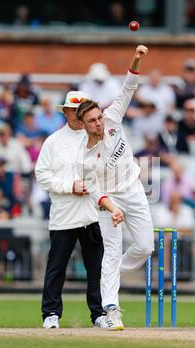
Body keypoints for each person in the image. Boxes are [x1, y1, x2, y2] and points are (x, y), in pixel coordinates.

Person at [76, 45, 154, 331]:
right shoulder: (83, 155)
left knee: (145, 246)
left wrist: (136, 58)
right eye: (92, 121)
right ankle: (112, 309)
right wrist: (112, 207)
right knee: (110, 250)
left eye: (98, 117)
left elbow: (128, 87)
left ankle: (110, 274)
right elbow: (93, 190)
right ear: (82, 124)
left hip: (133, 189)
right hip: (109, 201)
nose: (98, 123)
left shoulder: (112, 118)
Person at [35, 91, 123, 330]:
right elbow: (42, 175)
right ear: (65, 112)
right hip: (64, 214)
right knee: (57, 267)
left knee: (96, 269)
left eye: (80, 111)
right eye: (73, 110)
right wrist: (69, 187)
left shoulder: (96, 138)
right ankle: (51, 313)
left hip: (93, 214)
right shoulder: (53, 141)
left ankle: (98, 314)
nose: (77, 115)